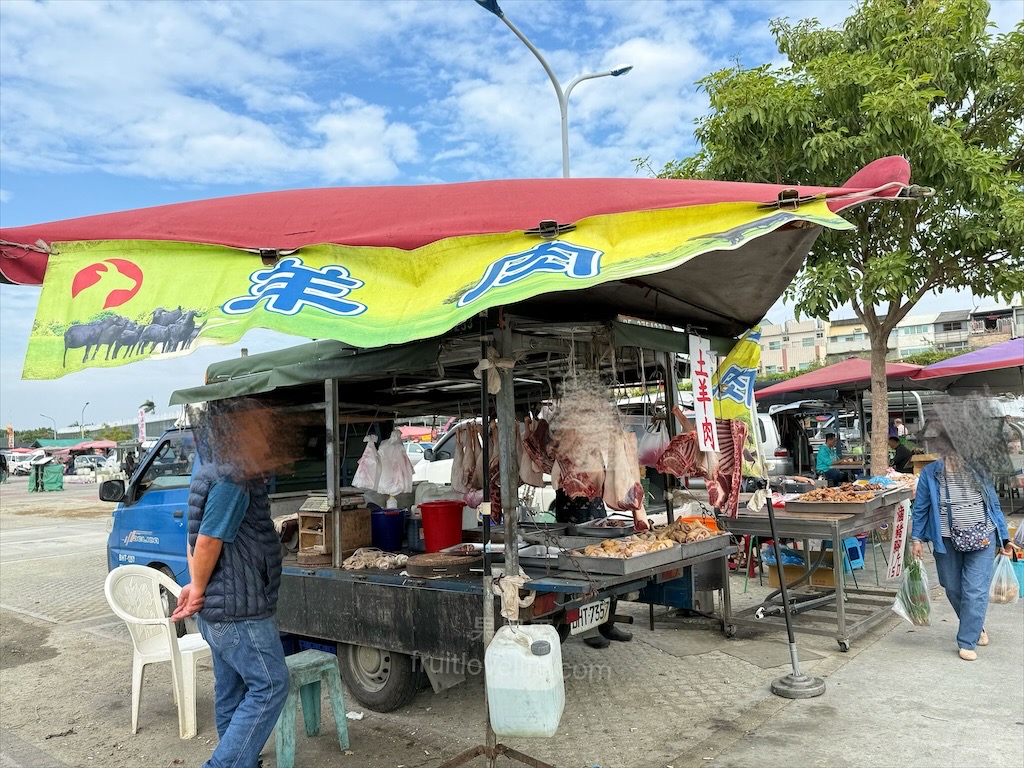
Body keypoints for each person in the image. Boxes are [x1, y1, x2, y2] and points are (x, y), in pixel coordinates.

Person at [171, 456, 289, 767]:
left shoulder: (209, 464)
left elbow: (194, 534)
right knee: (271, 684)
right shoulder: (234, 475)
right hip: (240, 610)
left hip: (220, 608)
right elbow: (208, 540)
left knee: (231, 692)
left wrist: (196, 584)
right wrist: (196, 588)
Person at [911, 424, 1011, 662]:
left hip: (983, 537)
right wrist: (916, 538)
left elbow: (994, 506)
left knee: (975, 590)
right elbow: (921, 508)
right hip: (945, 540)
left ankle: (967, 640)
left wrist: (1005, 537)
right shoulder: (930, 473)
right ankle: (976, 624)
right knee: (952, 586)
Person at [553, 488, 633, 649]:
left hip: (596, 510)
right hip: (572, 512)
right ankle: (589, 631)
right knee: (586, 573)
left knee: (607, 566)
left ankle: (607, 624)